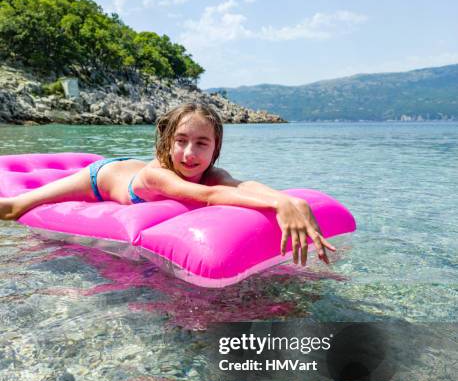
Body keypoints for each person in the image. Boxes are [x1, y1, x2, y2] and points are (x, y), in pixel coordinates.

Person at [0, 102, 335, 266]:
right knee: (16, 207)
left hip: (126, 168)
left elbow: (240, 185)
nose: (190, 154)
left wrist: (291, 200)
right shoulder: (158, 175)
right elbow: (207, 196)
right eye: (181, 141)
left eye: (202, 143)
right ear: (169, 142)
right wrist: (280, 204)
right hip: (101, 177)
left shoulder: (212, 171)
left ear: (215, 147)